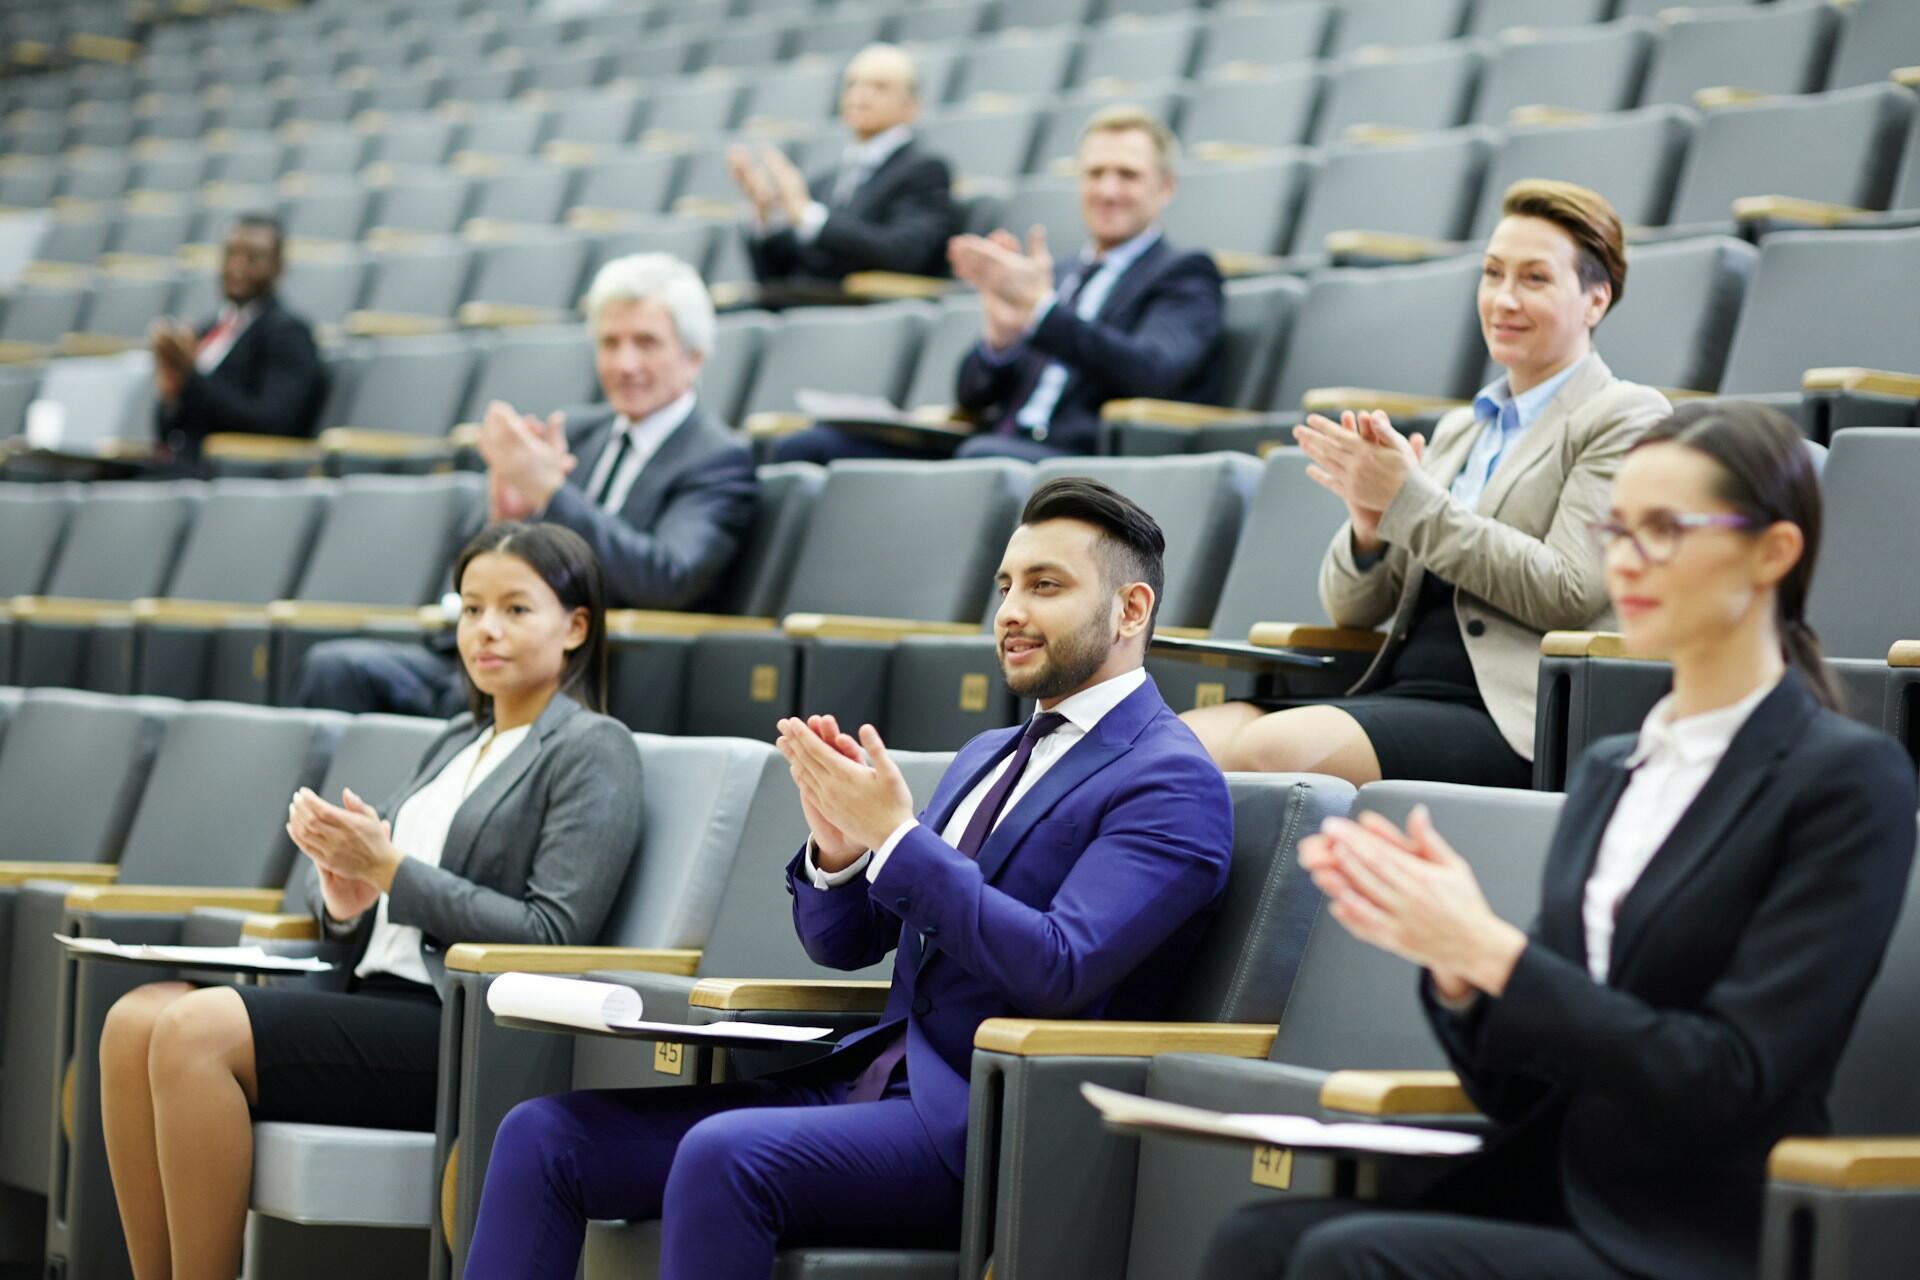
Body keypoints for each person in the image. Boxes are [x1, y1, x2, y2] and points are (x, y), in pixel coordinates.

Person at [1199, 402, 1918, 1280]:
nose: (1626, 557)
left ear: (1773, 552)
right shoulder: (1615, 767)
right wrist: (1461, 977)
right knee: (1252, 1240)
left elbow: (1730, 1081)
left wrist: (1497, 956)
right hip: (1557, 1189)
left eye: (1667, 530)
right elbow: (1524, 1092)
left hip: (1699, 1229)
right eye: (1618, 528)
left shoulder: (1847, 781)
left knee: (1353, 1262)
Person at [462, 477, 1235, 1278]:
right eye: (1004, 585)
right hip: (867, 1081)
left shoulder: (1170, 781)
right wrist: (840, 854)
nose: (1009, 611)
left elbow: (1060, 968)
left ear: (1131, 610)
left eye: (1046, 586)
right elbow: (842, 944)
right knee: (544, 1137)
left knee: (726, 1154)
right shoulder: (986, 755)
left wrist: (896, 839)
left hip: (991, 1123)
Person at [96, 521, 646, 1280]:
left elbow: (551, 932)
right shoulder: (458, 737)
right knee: (134, 1018)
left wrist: (390, 873)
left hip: (456, 1029)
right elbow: (382, 909)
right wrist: (350, 898)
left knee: (193, 1029)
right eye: (471, 608)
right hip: (372, 997)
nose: (485, 630)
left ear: (576, 626)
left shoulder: (595, 748)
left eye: (516, 610)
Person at [1183, 180, 1671, 789]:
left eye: (1534, 279)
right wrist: (1369, 523)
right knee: (1174, 746)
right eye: (1493, 274)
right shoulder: (1464, 426)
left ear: (1595, 301)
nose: (1503, 299)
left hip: (1506, 713)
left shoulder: (1624, 414)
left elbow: (1567, 590)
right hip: (1399, 688)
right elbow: (1355, 609)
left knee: (1268, 751)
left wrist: (1409, 501)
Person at [293, 252, 758, 717]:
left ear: (694, 357)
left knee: (477, 699)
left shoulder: (717, 458)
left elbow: (667, 578)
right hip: (495, 653)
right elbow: (477, 563)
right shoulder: (579, 431)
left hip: (588, 670)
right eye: (610, 343)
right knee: (334, 668)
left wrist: (552, 496)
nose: (624, 363)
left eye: (646, 343)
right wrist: (508, 522)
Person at [772, 104, 1224, 464]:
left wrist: (1044, 314)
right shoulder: (1059, 274)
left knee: (980, 456)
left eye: (1127, 175)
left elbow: (1153, 370)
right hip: (994, 447)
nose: (1107, 190)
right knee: (809, 448)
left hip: (1080, 463)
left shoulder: (1184, 272)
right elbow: (971, 394)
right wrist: (1000, 341)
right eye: (1094, 173)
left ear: (1165, 188)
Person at [728, 43, 956, 285]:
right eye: (852, 85)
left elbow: (904, 254)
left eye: (880, 86)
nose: (860, 95)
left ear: (910, 107)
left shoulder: (924, 171)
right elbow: (780, 278)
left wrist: (807, 215)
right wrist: (768, 217)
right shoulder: (825, 182)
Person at [150, 213, 328, 465]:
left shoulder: (288, 333)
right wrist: (171, 392)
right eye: (231, 254)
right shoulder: (206, 330)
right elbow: (169, 430)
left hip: (229, 473)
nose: (237, 266)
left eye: (253, 258)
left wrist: (190, 379)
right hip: (180, 464)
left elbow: (271, 422)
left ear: (278, 269)